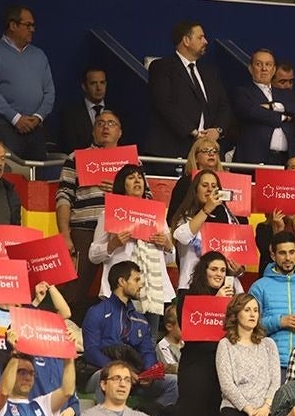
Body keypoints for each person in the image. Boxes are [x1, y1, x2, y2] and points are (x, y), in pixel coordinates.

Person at [56, 109, 125, 322]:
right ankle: (65, 341)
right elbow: (64, 197)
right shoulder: (76, 158)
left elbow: (146, 199)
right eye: (100, 123)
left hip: (120, 235)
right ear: (93, 130)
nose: (105, 127)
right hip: (83, 231)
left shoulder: (130, 162)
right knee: (73, 292)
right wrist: (65, 235)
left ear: (120, 132)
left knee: (120, 293)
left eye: (111, 123)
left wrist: (119, 188)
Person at [82, 261, 179, 411]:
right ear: (121, 282)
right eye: (136, 280)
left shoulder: (140, 318)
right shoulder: (97, 312)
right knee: (112, 377)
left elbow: (147, 351)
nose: (140, 285)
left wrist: (148, 372)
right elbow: (91, 352)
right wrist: (121, 370)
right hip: (102, 372)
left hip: (135, 377)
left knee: (174, 382)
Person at [89, 163, 176, 326]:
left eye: (140, 177)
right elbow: (93, 255)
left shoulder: (156, 215)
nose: (137, 180)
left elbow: (170, 257)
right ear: (122, 185)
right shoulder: (109, 213)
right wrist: (112, 244)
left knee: (148, 343)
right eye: (131, 177)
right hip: (122, 290)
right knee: (119, 342)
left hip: (152, 290)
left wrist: (167, 244)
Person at [147, 20, 233, 160]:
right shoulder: (162, 67)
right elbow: (164, 103)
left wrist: (217, 130)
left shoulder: (210, 72)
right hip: (172, 149)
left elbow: (224, 106)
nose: (205, 41)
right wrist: (193, 132)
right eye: (200, 37)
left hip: (207, 152)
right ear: (186, 40)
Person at [0, 5, 54, 160]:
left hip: (36, 128)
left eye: (33, 25)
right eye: (28, 25)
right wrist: (16, 118)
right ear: (13, 25)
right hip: (6, 127)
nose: (32, 29)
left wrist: (38, 116)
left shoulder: (39, 55)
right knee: (11, 177)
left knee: (37, 181)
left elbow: (49, 91)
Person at [174, 252, 237, 416]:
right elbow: (188, 329)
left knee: (214, 415)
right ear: (204, 271)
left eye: (223, 270)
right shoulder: (187, 297)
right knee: (191, 413)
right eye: (214, 269)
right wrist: (215, 303)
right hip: (196, 364)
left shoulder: (232, 300)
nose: (219, 274)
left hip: (222, 365)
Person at [249, 231, 295, 374]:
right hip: (270, 365)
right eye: (282, 253)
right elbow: (248, 326)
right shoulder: (259, 287)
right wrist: (279, 322)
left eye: (292, 252)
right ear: (272, 255)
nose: (288, 258)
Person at [170, 169, 248, 296]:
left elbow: (239, 255)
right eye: (205, 185)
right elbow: (182, 237)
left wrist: (238, 270)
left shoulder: (228, 217)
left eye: (214, 186)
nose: (210, 190)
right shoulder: (186, 217)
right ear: (195, 190)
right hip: (192, 287)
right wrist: (206, 209)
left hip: (225, 287)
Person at [233, 48, 295, 166]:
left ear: (274, 69)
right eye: (258, 64)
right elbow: (252, 112)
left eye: (268, 64)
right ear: (250, 68)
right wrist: (283, 117)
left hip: (286, 159)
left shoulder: (284, 93)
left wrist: (274, 106)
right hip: (255, 157)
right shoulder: (242, 92)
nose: (264, 69)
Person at [168, 137, 223, 222]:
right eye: (206, 151)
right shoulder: (185, 182)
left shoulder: (226, 181)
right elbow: (173, 216)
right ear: (196, 158)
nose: (211, 154)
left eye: (215, 151)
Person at [58, 66, 109, 153]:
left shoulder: (118, 112)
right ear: (84, 86)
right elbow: (69, 146)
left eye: (102, 83)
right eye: (93, 83)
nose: (99, 88)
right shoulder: (70, 115)